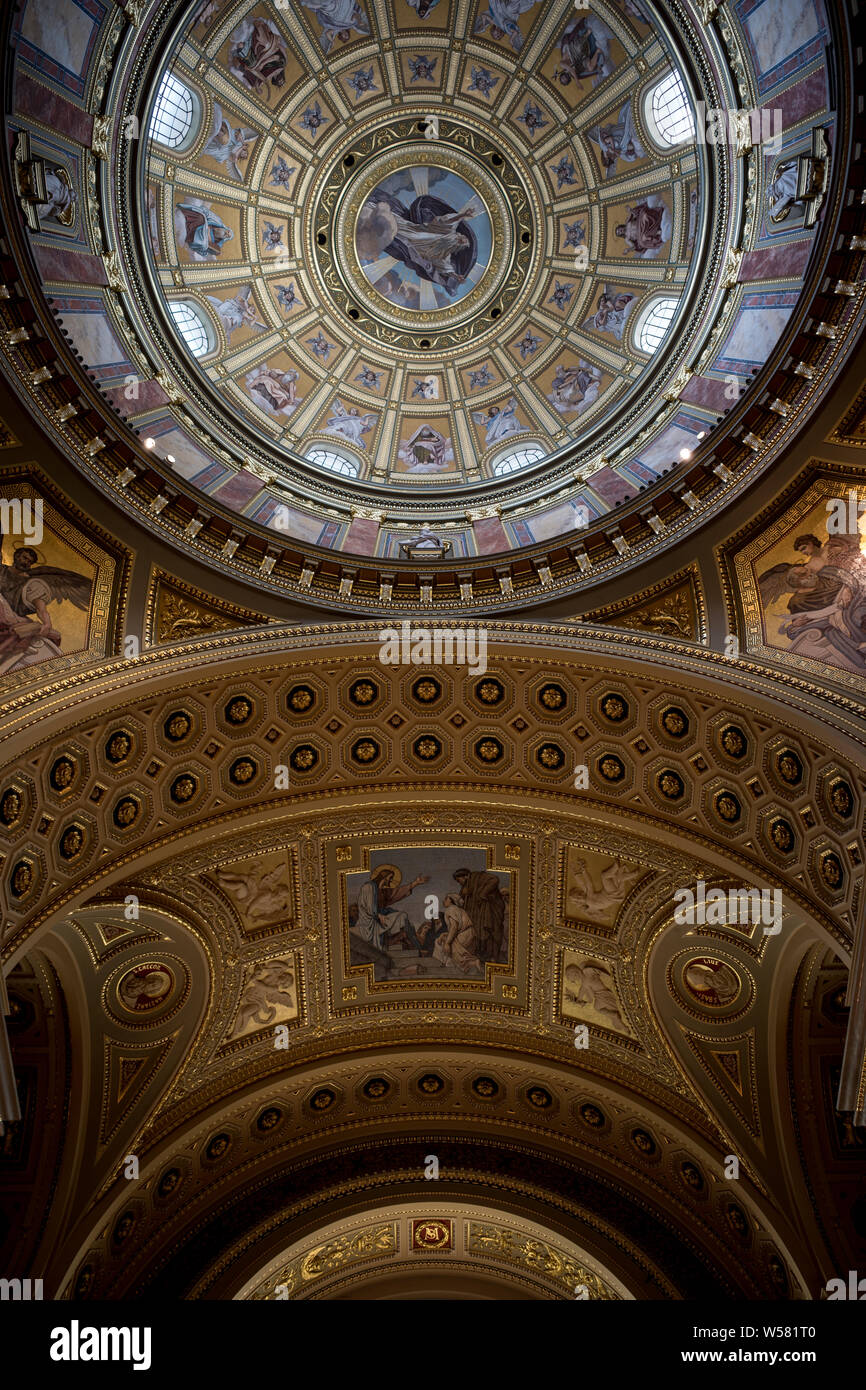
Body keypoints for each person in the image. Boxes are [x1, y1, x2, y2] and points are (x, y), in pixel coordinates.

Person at [355, 865, 428, 953]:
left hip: (380, 916)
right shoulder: (368, 887)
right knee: (402, 916)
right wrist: (377, 915)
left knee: (403, 916)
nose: (391, 880)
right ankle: (416, 945)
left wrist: (415, 883)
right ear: (384, 877)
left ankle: (415, 945)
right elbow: (365, 906)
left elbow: (396, 892)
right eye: (390, 878)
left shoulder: (382, 891)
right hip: (369, 920)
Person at [452, 867, 506, 960]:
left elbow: (494, 879)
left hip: (490, 911)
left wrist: (483, 893)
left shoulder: (478, 876)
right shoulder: (465, 887)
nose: (459, 882)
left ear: (466, 876)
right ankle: (482, 956)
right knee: (478, 934)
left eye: (458, 880)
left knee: (491, 932)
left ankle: (493, 956)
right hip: (477, 917)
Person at [434, 894, 483, 974]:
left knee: (446, 943)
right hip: (469, 935)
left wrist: (447, 943)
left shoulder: (450, 909)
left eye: (446, 899)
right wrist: (443, 934)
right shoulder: (459, 909)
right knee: (444, 938)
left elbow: (454, 927)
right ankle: (446, 963)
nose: (443, 901)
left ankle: (472, 963)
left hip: (464, 936)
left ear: (450, 900)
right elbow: (455, 930)